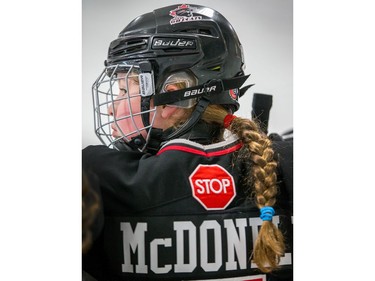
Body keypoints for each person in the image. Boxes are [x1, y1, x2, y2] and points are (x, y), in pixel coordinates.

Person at [83, 3, 293, 281]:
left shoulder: (99, 179)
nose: (112, 107)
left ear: (173, 99)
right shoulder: (286, 165)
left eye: (123, 89)